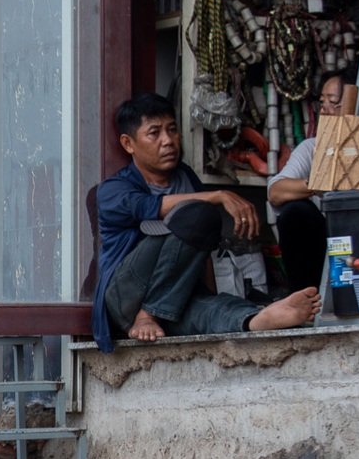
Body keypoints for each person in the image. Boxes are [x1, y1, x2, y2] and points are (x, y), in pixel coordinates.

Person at [90, 94, 320, 351]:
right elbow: (150, 207)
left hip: (172, 297)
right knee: (199, 213)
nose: (168, 141)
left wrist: (210, 294)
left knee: (211, 309)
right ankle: (148, 314)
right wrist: (218, 195)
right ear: (128, 143)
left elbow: (202, 249)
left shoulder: (185, 177)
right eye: (154, 133)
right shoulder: (113, 189)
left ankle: (258, 318)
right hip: (127, 297)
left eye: (172, 130)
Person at [267, 71, 352, 292]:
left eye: (333, 103)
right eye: (322, 103)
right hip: (323, 246)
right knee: (295, 212)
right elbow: (275, 191)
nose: (324, 110)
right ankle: (305, 299)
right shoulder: (312, 147)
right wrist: (318, 182)